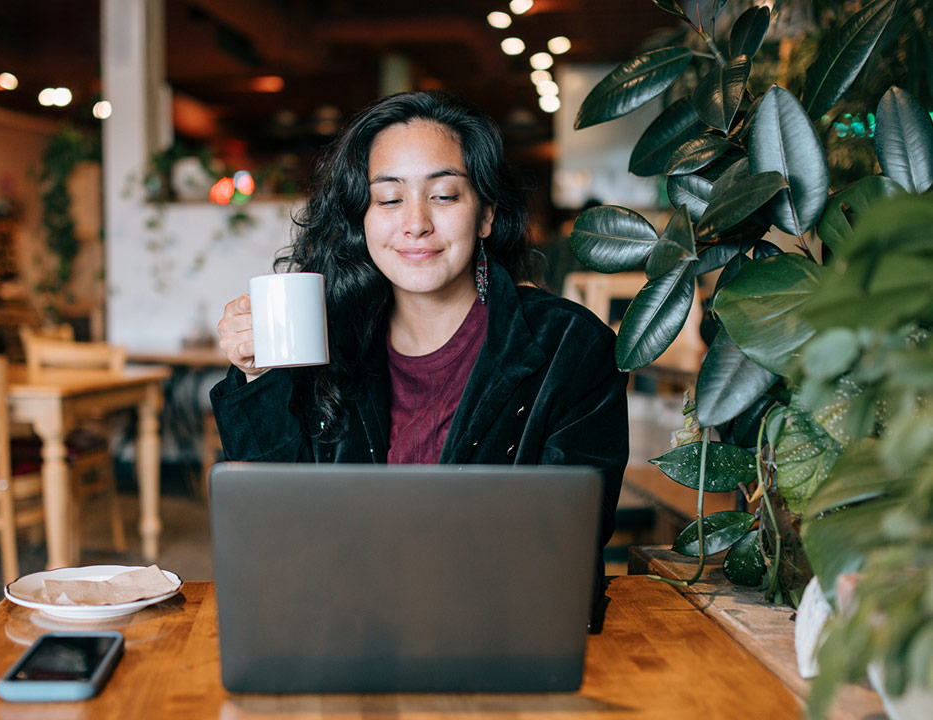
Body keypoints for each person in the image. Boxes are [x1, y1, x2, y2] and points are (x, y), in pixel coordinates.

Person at [210, 90, 628, 595]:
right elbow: (272, 526)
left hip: (496, 634)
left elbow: (571, 543)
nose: (415, 223)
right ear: (361, 219)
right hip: (342, 627)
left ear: (486, 215)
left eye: (445, 195)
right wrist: (260, 375)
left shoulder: (570, 346)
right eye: (389, 198)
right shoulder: (325, 340)